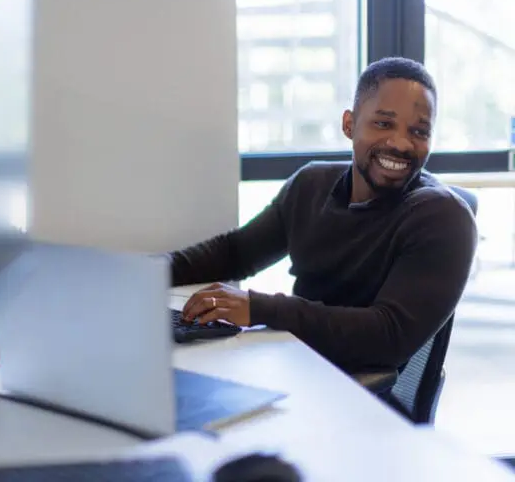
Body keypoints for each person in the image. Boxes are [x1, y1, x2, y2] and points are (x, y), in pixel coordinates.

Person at [168, 57, 478, 373]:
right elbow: (236, 253)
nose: (401, 143)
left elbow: (389, 336)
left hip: (353, 388)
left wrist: (259, 308)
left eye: (419, 131)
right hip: (295, 363)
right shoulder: (311, 185)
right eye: (383, 124)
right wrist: (150, 272)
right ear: (349, 124)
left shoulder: (443, 217)